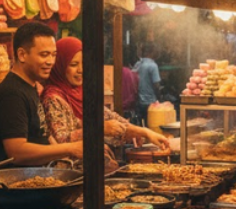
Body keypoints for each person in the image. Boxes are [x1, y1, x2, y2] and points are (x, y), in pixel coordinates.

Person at [42, 37, 170, 150]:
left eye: (84, 64)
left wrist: (144, 132)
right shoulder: (53, 98)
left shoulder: (83, 92)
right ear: (60, 65)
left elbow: (110, 117)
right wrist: (100, 129)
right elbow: (62, 140)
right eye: (74, 64)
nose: (81, 70)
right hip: (70, 172)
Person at [0, 22, 83, 165]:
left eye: (53, 55)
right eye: (44, 55)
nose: (50, 62)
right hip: (16, 182)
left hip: (40, 176)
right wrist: (68, 148)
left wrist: (64, 161)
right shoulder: (12, 94)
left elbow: (43, 133)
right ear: (22, 55)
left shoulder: (31, 86)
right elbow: (16, 152)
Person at [134, 42, 161, 125]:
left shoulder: (138, 64)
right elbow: (156, 85)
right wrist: (159, 97)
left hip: (138, 101)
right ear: (151, 52)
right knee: (151, 125)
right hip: (150, 102)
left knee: (140, 125)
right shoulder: (153, 66)